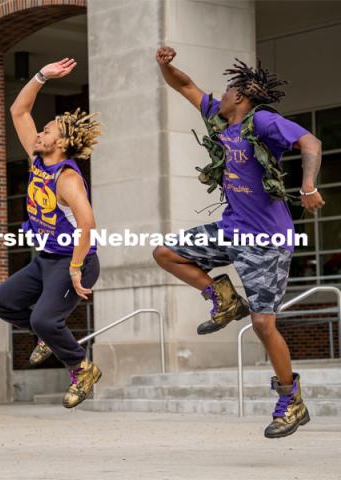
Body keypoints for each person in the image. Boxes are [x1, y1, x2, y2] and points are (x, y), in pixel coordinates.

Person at [153, 47, 325, 438]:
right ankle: (225, 298)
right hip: (232, 229)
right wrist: (165, 66)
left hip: (266, 241)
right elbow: (186, 85)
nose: (222, 94)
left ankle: (291, 399)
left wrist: (308, 184)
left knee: (264, 324)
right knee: (167, 253)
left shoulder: (262, 121)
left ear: (242, 97)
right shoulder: (220, 119)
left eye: (229, 90)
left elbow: (310, 143)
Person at [0, 58, 102, 408]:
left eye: (48, 131)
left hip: (74, 259)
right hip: (47, 260)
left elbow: (88, 225)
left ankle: (81, 367)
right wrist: (40, 76)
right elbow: (19, 111)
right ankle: (46, 337)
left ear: (62, 143)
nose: (40, 133)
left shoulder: (66, 178)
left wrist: (75, 268)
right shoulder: (38, 159)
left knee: (42, 318)